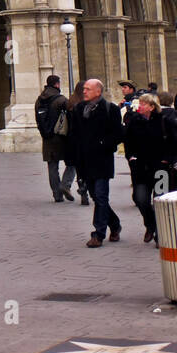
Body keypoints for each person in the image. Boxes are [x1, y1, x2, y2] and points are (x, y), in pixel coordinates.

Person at [125, 93, 177, 245]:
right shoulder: (134, 121)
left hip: (160, 170)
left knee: (159, 201)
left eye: (143, 104)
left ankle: (160, 235)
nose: (139, 106)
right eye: (139, 103)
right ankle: (151, 225)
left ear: (151, 106)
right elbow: (128, 142)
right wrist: (131, 157)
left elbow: (176, 145)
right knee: (140, 199)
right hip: (141, 169)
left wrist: (167, 160)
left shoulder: (164, 121)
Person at [73, 78, 125, 247]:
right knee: (96, 197)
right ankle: (115, 225)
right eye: (84, 89)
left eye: (88, 89)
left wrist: (103, 144)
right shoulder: (79, 109)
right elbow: (75, 136)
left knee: (101, 196)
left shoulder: (111, 110)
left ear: (98, 91)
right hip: (85, 162)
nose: (84, 91)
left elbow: (118, 135)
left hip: (102, 161)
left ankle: (98, 234)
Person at [35, 75, 76, 203]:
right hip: (61, 137)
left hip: (47, 138)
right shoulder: (61, 99)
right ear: (57, 84)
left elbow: (38, 119)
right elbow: (72, 113)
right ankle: (66, 184)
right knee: (72, 162)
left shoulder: (39, 100)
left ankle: (57, 195)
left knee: (52, 166)